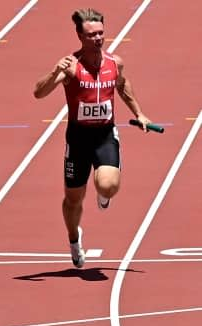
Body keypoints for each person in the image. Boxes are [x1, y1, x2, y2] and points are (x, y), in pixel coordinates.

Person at [33, 8, 152, 268]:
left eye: (101, 33)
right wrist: (55, 72)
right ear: (80, 36)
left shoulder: (114, 63)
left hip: (104, 135)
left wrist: (139, 113)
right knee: (73, 199)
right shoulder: (71, 67)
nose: (98, 38)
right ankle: (74, 239)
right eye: (91, 35)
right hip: (77, 139)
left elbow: (122, 85)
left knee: (107, 185)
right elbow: (38, 93)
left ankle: (103, 191)